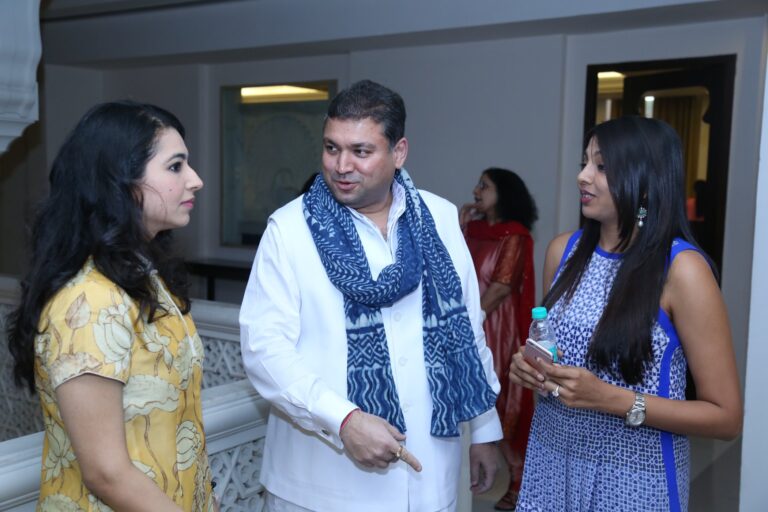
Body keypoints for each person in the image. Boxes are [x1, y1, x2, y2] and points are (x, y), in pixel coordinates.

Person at [240, 79, 503, 512]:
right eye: (331, 148)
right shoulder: (289, 231)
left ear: (398, 152)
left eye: (361, 151)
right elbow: (264, 349)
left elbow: (469, 330)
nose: (342, 165)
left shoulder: (439, 217)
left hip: (428, 474)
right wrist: (342, 419)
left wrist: (486, 430)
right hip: (320, 483)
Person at [509, 116, 742, 511]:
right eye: (585, 162)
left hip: (634, 474)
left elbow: (725, 417)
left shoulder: (682, 271)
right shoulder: (562, 252)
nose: (583, 176)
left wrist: (611, 399)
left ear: (645, 179)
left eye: (602, 166)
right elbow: (548, 348)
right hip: (552, 459)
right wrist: (530, 367)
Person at [6, 101, 216, 511]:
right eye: (175, 167)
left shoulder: (143, 277)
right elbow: (106, 472)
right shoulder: (90, 301)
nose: (196, 180)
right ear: (120, 182)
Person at [459, 167, 538, 511]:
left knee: (503, 401)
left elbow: (502, 285)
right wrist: (461, 225)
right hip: (472, 323)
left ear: (502, 194)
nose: (477, 191)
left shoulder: (515, 235)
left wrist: (472, 318)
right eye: (477, 184)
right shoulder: (473, 230)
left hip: (497, 328)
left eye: (485, 186)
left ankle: (519, 479)